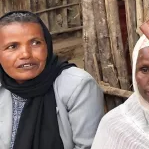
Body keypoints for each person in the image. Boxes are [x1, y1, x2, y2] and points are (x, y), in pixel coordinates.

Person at [0, 11, 104, 149]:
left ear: (47, 46)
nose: (25, 54)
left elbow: (89, 146)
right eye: (12, 46)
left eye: (35, 43)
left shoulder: (78, 86)